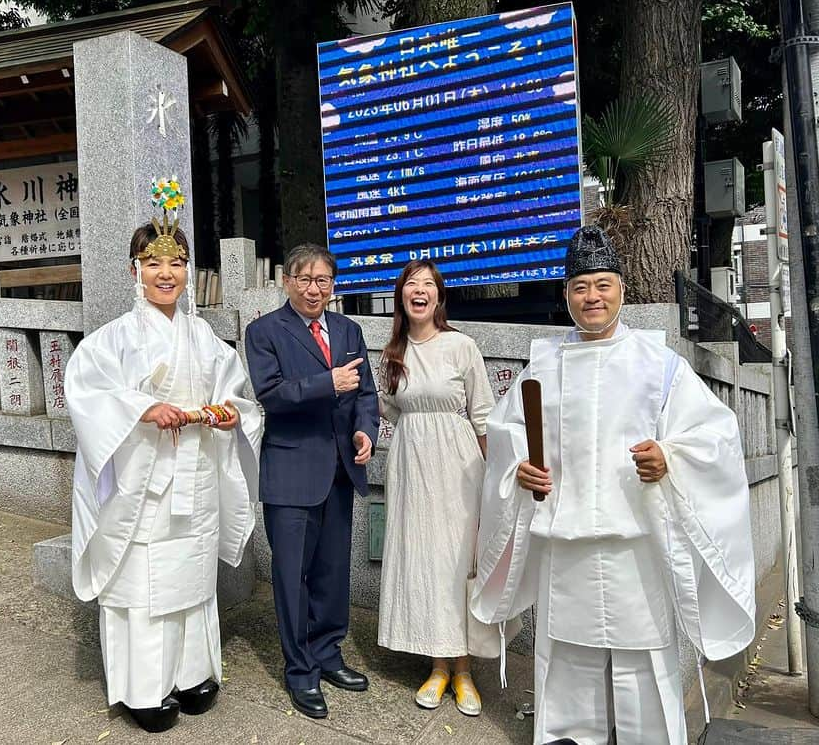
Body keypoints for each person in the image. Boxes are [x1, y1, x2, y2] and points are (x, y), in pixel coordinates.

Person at [470, 225, 756, 745]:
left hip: (635, 545)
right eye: (581, 287)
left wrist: (668, 456)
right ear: (566, 295)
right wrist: (520, 471)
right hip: (565, 542)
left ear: (622, 290)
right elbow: (507, 434)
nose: (592, 297)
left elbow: (715, 435)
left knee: (644, 665)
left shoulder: (660, 365)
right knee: (566, 665)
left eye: (603, 284)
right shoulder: (544, 365)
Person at [66, 180, 262, 733]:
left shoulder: (203, 336)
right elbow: (87, 391)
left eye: (176, 263)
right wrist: (142, 409)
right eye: (154, 264)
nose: (166, 274)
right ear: (135, 270)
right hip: (144, 481)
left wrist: (230, 414)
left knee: (193, 579)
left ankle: (192, 673)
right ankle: (143, 688)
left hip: (196, 475)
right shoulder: (115, 339)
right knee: (144, 584)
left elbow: (238, 396)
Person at [244, 244, 380, 720]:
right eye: (304, 279)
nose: (313, 289)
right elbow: (271, 394)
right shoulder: (264, 331)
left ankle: (328, 654)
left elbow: (366, 393)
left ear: (333, 284)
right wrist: (328, 383)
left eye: (323, 280)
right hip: (290, 472)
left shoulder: (348, 329)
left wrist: (366, 430)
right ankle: (300, 671)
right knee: (291, 576)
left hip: (341, 470)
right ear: (287, 281)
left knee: (331, 573)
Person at [376, 261, 495, 716]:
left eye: (428, 285)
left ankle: (464, 670)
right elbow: (389, 410)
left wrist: (493, 481)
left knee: (457, 562)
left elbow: (482, 416)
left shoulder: (462, 347)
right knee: (423, 563)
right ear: (401, 296)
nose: (420, 291)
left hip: (460, 468)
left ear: (439, 297)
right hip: (411, 469)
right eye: (412, 284)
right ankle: (438, 665)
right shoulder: (394, 352)